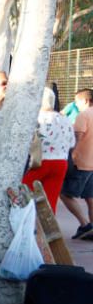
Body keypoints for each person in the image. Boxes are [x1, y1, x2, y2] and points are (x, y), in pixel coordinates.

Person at [23, 87, 74, 212]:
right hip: (61, 163)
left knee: (23, 194)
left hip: (39, 161)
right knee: (50, 201)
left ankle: (27, 226)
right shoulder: (65, 120)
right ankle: (46, 230)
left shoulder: (36, 119)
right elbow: (72, 142)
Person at [62, 88, 93, 238]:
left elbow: (77, 137)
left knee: (65, 193)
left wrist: (72, 155)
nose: (76, 105)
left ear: (86, 101)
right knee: (90, 196)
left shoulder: (84, 115)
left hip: (81, 162)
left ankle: (85, 224)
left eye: (77, 101)